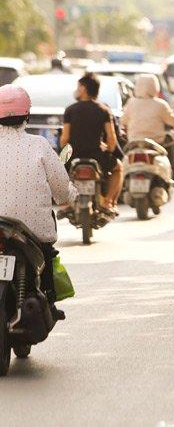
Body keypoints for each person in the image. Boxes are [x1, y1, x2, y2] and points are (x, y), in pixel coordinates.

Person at [0, 84, 77, 318]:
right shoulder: (40, 145)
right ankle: (49, 301)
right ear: (27, 114)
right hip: (31, 230)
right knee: (47, 252)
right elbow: (62, 191)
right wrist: (69, 197)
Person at [60, 73, 123, 213]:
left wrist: (64, 150)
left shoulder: (70, 109)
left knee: (57, 169)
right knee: (118, 168)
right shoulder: (104, 110)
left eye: (78, 86)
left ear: (83, 88)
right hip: (97, 156)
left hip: (73, 155)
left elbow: (64, 139)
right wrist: (108, 150)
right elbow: (112, 140)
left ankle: (65, 203)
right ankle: (108, 202)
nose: (76, 90)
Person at [120, 74, 174, 179]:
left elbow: (123, 121)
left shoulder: (131, 103)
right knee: (171, 150)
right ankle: (171, 180)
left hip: (133, 144)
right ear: (155, 86)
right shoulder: (161, 105)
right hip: (157, 145)